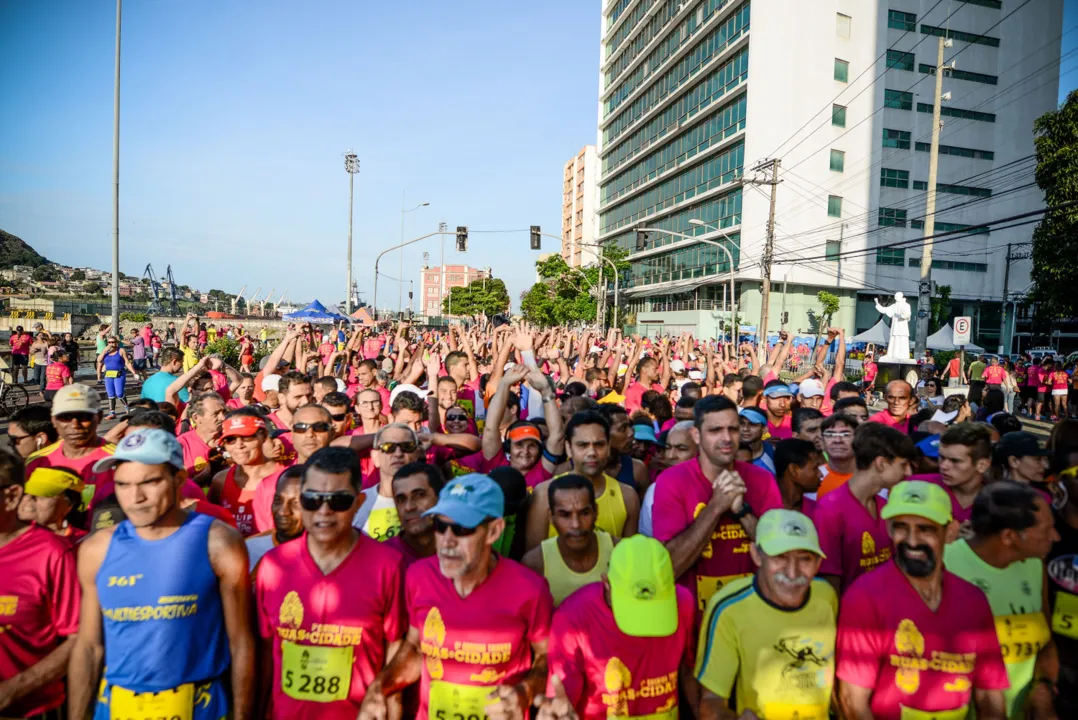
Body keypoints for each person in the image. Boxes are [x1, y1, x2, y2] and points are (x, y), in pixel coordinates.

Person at [67, 428, 255, 720]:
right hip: (117, 706)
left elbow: (240, 641)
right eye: (123, 485)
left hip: (199, 706)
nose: (135, 497)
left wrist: (242, 715)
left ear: (179, 478)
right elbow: (89, 647)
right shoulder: (96, 549)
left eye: (150, 482)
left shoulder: (218, 542)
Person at [357, 473, 554, 720]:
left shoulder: (530, 590)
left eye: (462, 528)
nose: (447, 541)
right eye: (441, 526)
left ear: (493, 531)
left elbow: (547, 657)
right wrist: (380, 687)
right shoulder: (419, 577)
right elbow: (417, 647)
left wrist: (524, 693)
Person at [254, 447, 406, 720]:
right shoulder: (273, 565)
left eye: (339, 501)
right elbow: (266, 653)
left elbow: (394, 649)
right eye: (312, 499)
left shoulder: (388, 566)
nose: (324, 511)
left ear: (359, 502)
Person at [836, 480, 1009, 719]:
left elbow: (991, 697)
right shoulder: (864, 597)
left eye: (925, 529)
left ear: (950, 532)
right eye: (901, 527)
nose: (912, 540)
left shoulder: (973, 600)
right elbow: (852, 703)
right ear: (888, 529)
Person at [696, 509, 838, 720]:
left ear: (818, 563)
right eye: (780, 557)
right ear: (756, 555)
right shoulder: (729, 608)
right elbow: (709, 703)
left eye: (805, 559)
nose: (792, 573)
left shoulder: (826, 597)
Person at [537, 535, 695, 720]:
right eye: (632, 607)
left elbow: (688, 668)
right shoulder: (572, 619)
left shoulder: (683, 604)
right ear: (606, 584)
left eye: (653, 607)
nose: (642, 621)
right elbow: (562, 700)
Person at [650, 395, 783, 612]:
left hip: (750, 620)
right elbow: (670, 567)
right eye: (715, 430)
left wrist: (742, 512)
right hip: (693, 623)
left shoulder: (763, 481)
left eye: (733, 429)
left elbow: (779, 557)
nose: (727, 438)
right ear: (696, 435)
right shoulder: (672, 481)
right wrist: (715, 506)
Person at [944, 482, 1059, 718]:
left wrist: (1044, 685)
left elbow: (1045, 641)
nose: (1055, 537)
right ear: (1010, 537)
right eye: (1046, 530)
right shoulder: (944, 567)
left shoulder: (1035, 567)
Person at [0, 449, 81, 719]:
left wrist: (14, 689)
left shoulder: (52, 552)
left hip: (33, 710)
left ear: (11, 496)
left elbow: (79, 639)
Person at [814, 422, 915, 595]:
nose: (909, 473)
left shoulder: (886, 507)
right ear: (881, 463)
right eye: (903, 464)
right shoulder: (830, 510)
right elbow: (829, 586)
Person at [526, 412, 639, 550]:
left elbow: (630, 559)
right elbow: (533, 561)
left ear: (608, 447)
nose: (591, 452)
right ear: (568, 448)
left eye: (599, 444)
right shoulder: (544, 495)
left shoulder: (627, 497)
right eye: (582, 445)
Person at [522, 474, 617, 606]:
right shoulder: (535, 564)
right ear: (551, 517)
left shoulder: (619, 551)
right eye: (565, 515)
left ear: (596, 512)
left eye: (584, 513)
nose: (576, 524)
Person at [26, 384, 116, 511]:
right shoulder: (38, 461)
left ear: (99, 417)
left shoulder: (117, 460)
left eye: (84, 417)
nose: (75, 425)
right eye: (65, 417)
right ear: (53, 420)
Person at [210, 410, 284, 536]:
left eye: (247, 437)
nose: (239, 445)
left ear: (264, 436)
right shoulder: (220, 481)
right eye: (230, 440)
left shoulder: (284, 480)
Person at [352, 423, 423, 541]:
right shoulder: (357, 504)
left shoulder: (433, 502)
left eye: (407, 446)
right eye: (388, 447)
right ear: (375, 457)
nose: (398, 453)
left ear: (416, 454)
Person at [245, 465, 303, 571]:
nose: (283, 511)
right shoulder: (248, 549)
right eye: (278, 501)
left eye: (295, 503)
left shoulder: (332, 557)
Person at [386, 462, 444, 566]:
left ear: (440, 498)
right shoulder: (385, 556)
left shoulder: (462, 548)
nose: (409, 507)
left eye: (419, 495)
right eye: (401, 499)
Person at [937, 422, 993, 528]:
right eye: (942, 457)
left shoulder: (1000, 505)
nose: (944, 466)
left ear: (982, 465)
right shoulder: (918, 486)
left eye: (955, 461)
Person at [17, 466, 86, 543]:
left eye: (42, 495)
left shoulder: (82, 543)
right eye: (26, 493)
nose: (29, 498)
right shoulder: (5, 535)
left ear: (69, 505)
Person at [177, 392, 227, 479]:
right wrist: (199, 479)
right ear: (196, 418)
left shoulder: (233, 439)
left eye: (224, 412)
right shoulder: (181, 445)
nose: (223, 418)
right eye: (216, 414)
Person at [774, 438, 823, 517]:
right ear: (793, 470)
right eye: (815, 468)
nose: (821, 474)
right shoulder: (762, 507)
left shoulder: (817, 511)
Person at [96, 335, 139, 419]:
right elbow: (99, 360)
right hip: (108, 374)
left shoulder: (121, 350)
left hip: (119, 374)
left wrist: (134, 373)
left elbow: (127, 362)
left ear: (117, 343)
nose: (111, 344)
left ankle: (127, 407)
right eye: (109, 342)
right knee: (110, 394)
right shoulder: (106, 352)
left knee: (119, 393)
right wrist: (104, 351)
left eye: (113, 342)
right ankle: (112, 412)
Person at [817, 413, 859, 498]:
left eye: (845, 435)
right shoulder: (812, 479)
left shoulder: (875, 479)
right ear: (821, 442)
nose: (837, 440)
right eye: (830, 435)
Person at [737, 407, 775, 475]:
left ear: (764, 430)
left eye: (752, 424)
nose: (745, 429)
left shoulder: (774, 454)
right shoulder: (727, 453)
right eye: (742, 423)